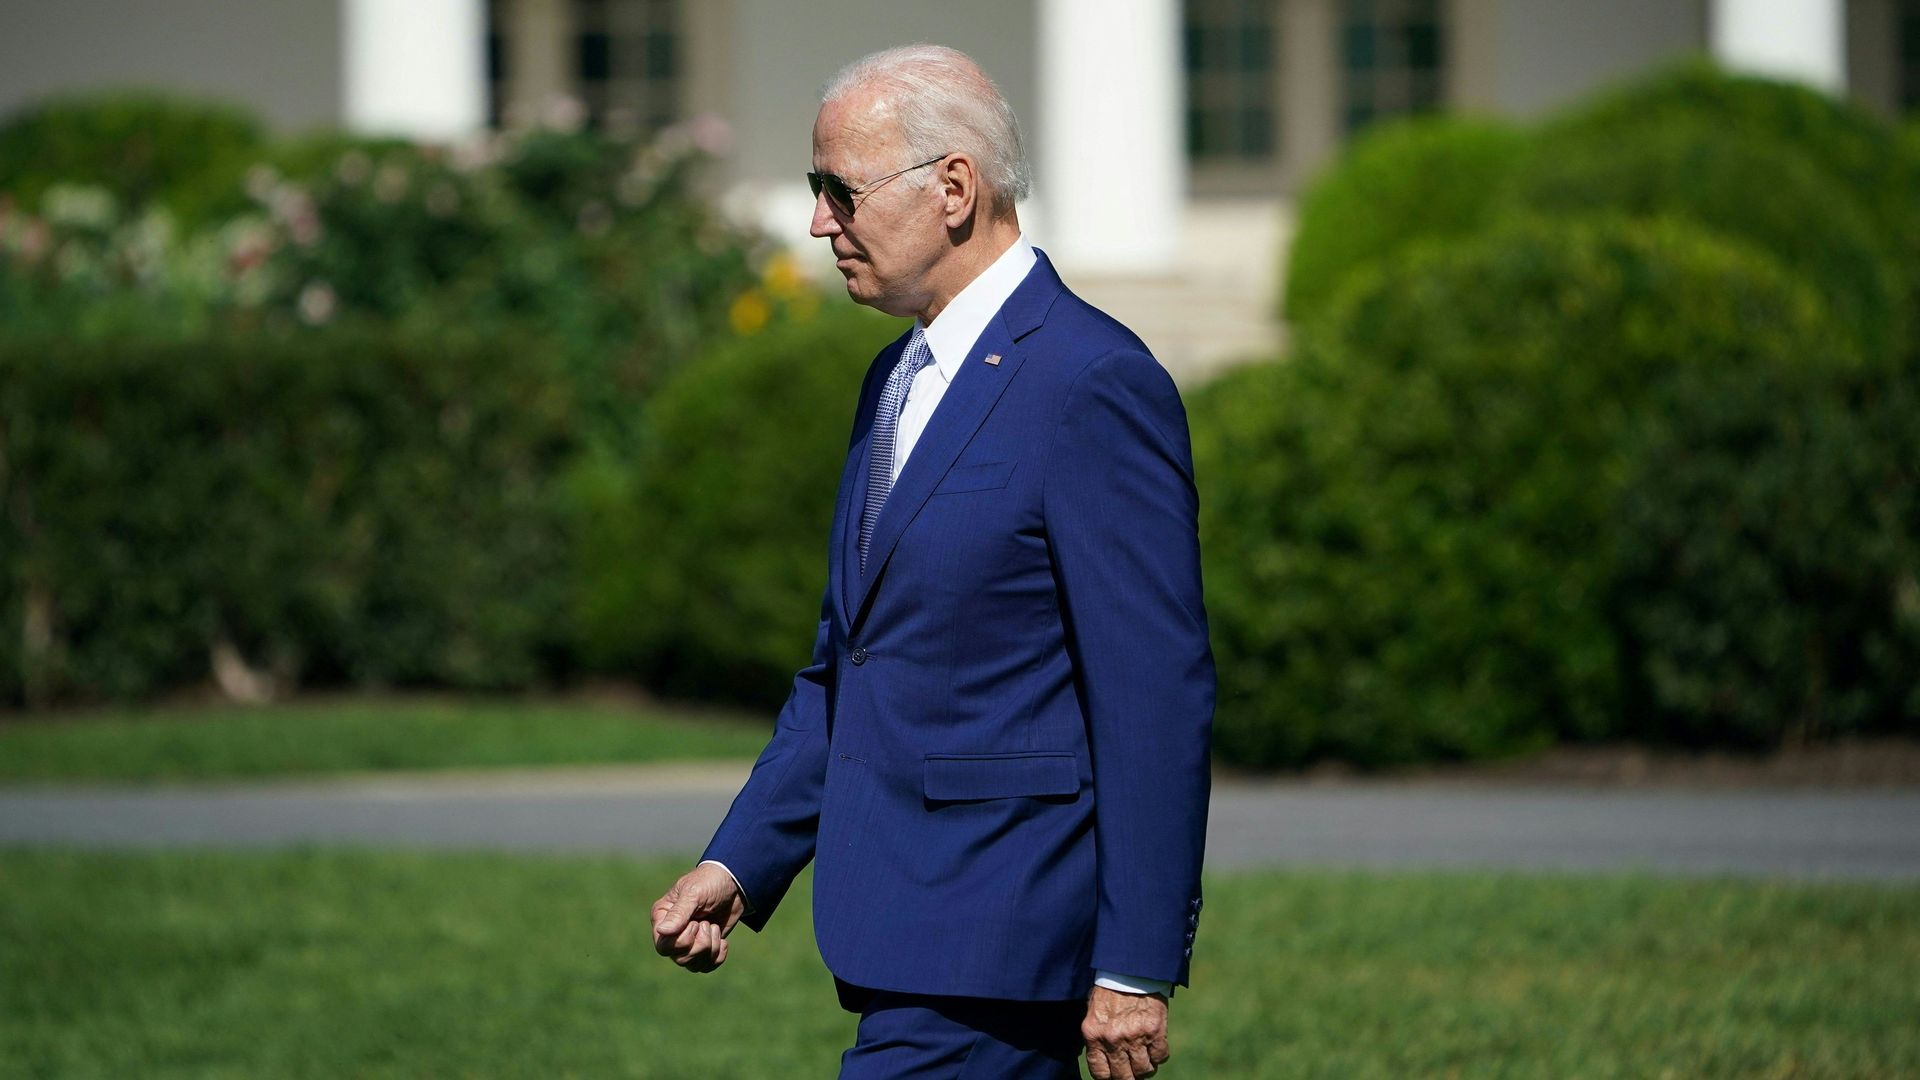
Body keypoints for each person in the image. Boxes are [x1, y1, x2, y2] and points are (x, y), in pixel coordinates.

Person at [649, 43, 1214, 1080]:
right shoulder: (893, 380)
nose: (819, 222)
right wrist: (740, 859)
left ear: (954, 188)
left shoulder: (1092, 382)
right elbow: (849, 663)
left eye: (841, 190)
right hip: (898, 935)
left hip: (1001, 944)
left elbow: (1153, 695)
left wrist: (1134, 964)